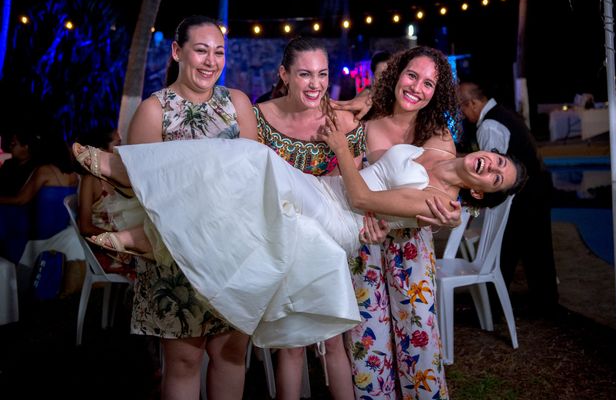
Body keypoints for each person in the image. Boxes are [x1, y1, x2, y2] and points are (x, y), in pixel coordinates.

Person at [70, 127, 526, 349]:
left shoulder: (440, 204)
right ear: (488, 151)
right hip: (322, 189)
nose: (492, 166)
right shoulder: (439, 140)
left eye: (497, 179)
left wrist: (344, 156)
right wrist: (382, 213)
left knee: (253, 162)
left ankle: (139, 209)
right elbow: (377, 165)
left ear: (480, 192)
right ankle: (133, 194)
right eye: (498, 160)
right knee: (242, 179)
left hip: (338, 220)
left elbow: (363, 195)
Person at [124, 14, 258, 400]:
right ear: (177, 51)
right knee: (184, 362)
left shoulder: (237, 104)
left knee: (231, 354)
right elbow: (141, 193)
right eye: (201, 50)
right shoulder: (154, 111)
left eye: (218, 52)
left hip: (233, 252)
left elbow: (257, 175)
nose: (210, 61)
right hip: (175, 257)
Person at [333, 45, 461, 399]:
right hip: (364, 239)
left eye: (429, 84)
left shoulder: (436, 134)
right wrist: (369, 214)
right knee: (367, 341)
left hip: (411, 246)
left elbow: (440, 193)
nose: (417, 88)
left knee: (419, 339)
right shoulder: (364, 119)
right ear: (396, 74)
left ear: (437, 93)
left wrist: (446, 213)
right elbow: (350, 179)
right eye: (412, 75)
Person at [253, 36, 366, 400]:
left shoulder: (344, 123)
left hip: (328, 244)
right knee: (291, 345)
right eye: (304, 74)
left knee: (334, 341)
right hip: (279, 242)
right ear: (284, 74)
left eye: (322, 74)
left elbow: (354, 189)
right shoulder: (258, 119)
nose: (315, 83)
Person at [457, 80, 558, 313]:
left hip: (525, 192)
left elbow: (488, 169)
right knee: (532, 247)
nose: (462, 113)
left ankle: (496, 303)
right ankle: (540, 300)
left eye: (462, 107)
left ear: (473, 103)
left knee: (514, 245)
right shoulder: (501, 114)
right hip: (535, 187)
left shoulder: (490, 125)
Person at [0, 129, 79, 263]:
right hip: (60, 228)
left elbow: (20, 200)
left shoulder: (44, 171)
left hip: (40, 232)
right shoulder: (73, 175)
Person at [75, 125, 143, 277]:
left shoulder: (121, 175)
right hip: (108, 249)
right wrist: (119, 239)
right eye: (117, 144)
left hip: (123, 244)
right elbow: (85, 227)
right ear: (101, 151)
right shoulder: (90, 179)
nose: (121, 149)